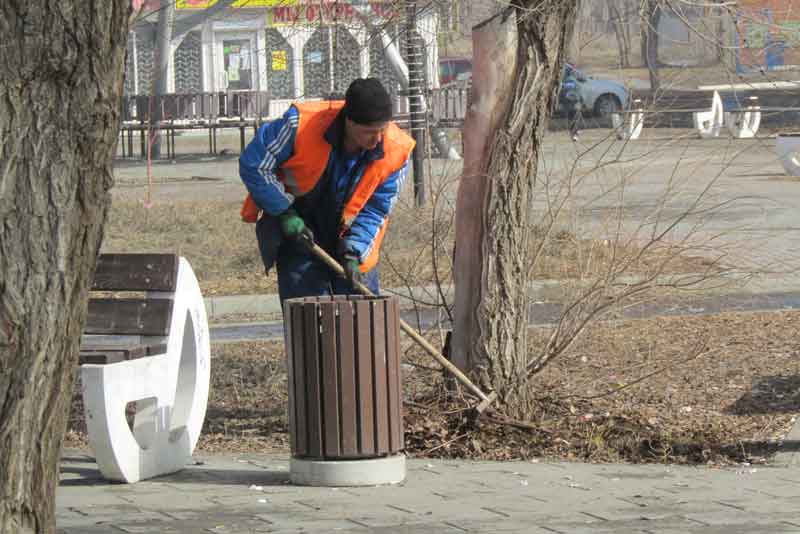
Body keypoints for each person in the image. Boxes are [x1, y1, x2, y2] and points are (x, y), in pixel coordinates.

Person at [239, 78, 415, 302]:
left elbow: (377, 210)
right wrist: (284, 212)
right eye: (369, 132)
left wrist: (354, 251)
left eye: (382, 129)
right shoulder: (299, 125)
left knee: (362, 320)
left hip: (350, 241)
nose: (378, 139)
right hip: (299, 235)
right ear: (349, 121)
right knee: (307, 320)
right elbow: (255, 164)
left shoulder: (396, 151)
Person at [560, 70, 583, 142]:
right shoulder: (571, 80)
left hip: (571, 103)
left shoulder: (568, 80)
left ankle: (574, 133)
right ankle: (574, 134)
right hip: (573, 103)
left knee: (572, 119)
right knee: (574, 119)